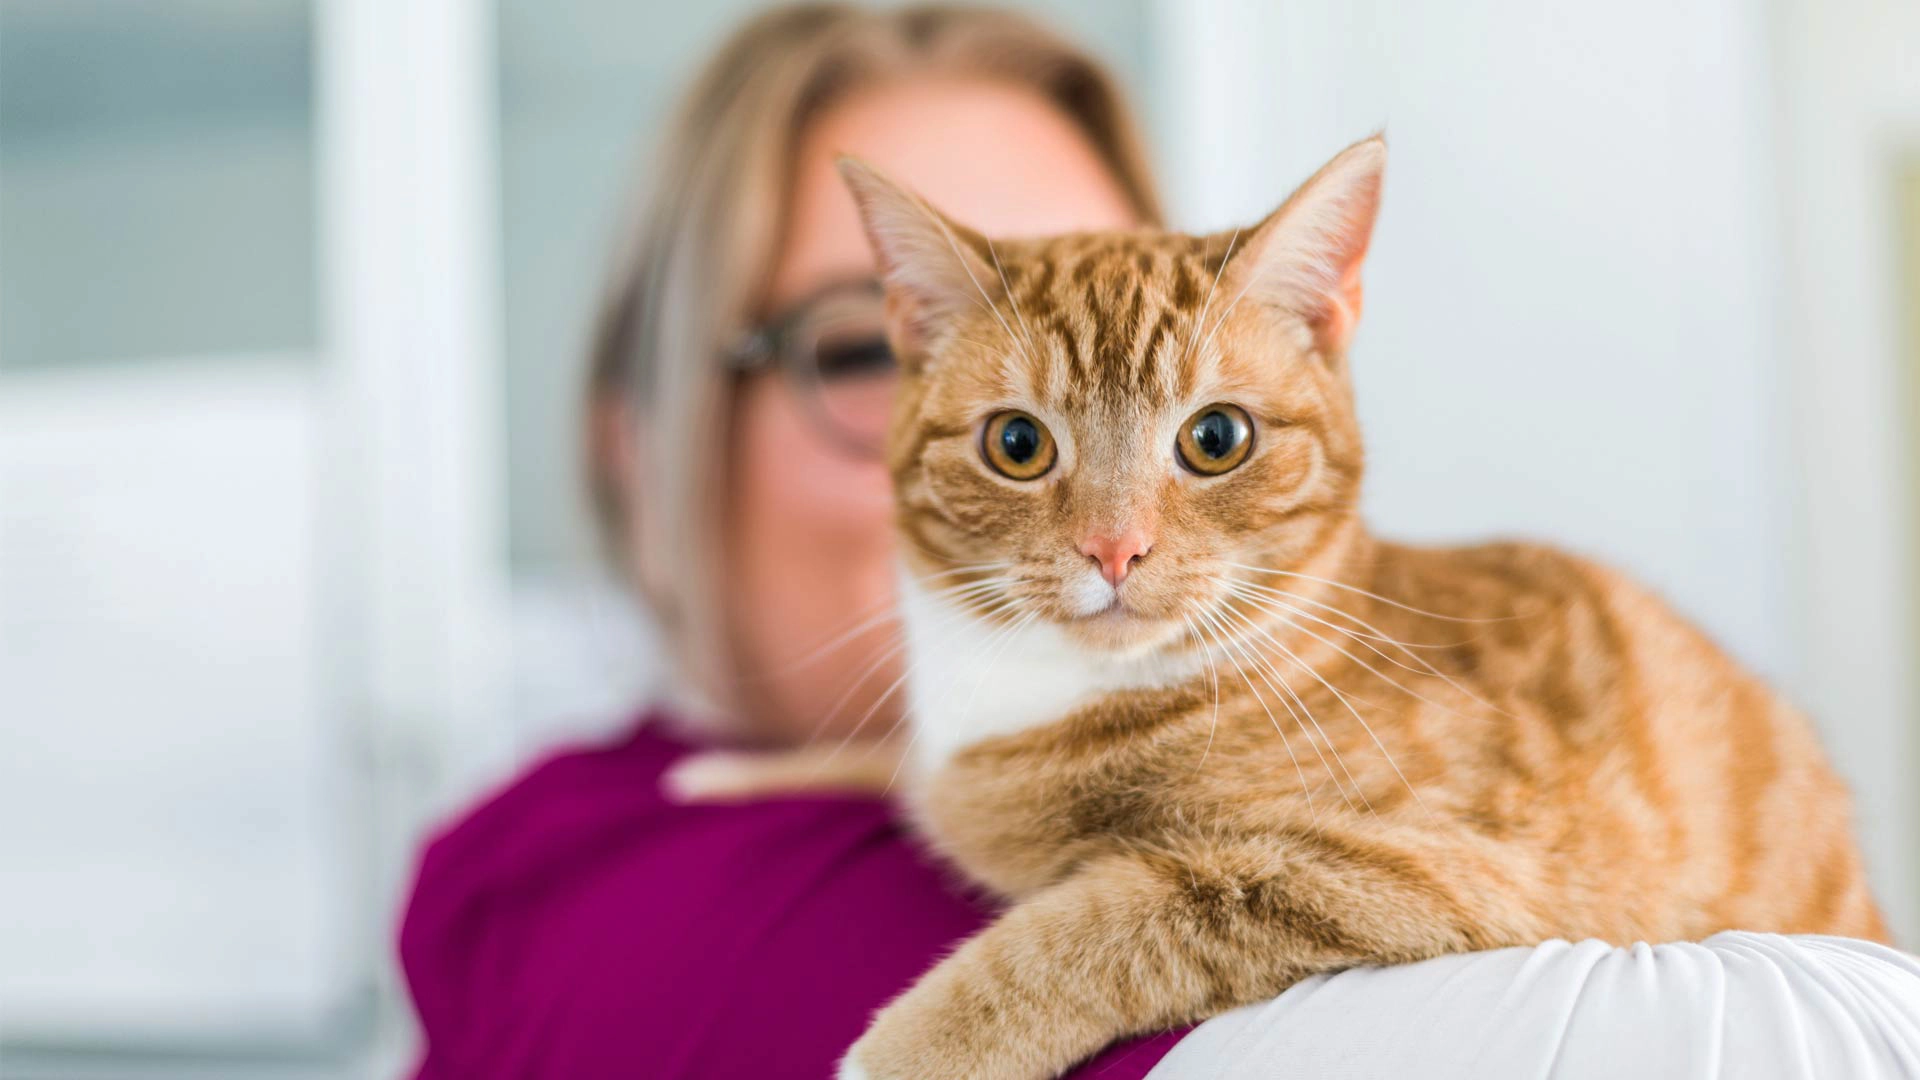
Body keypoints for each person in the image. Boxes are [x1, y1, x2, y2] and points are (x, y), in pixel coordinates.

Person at [397, 5, 1174, 1077]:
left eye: (1125, 349)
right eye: (867, 348)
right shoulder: (582, 884)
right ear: (645, 451)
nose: (1100, 496)